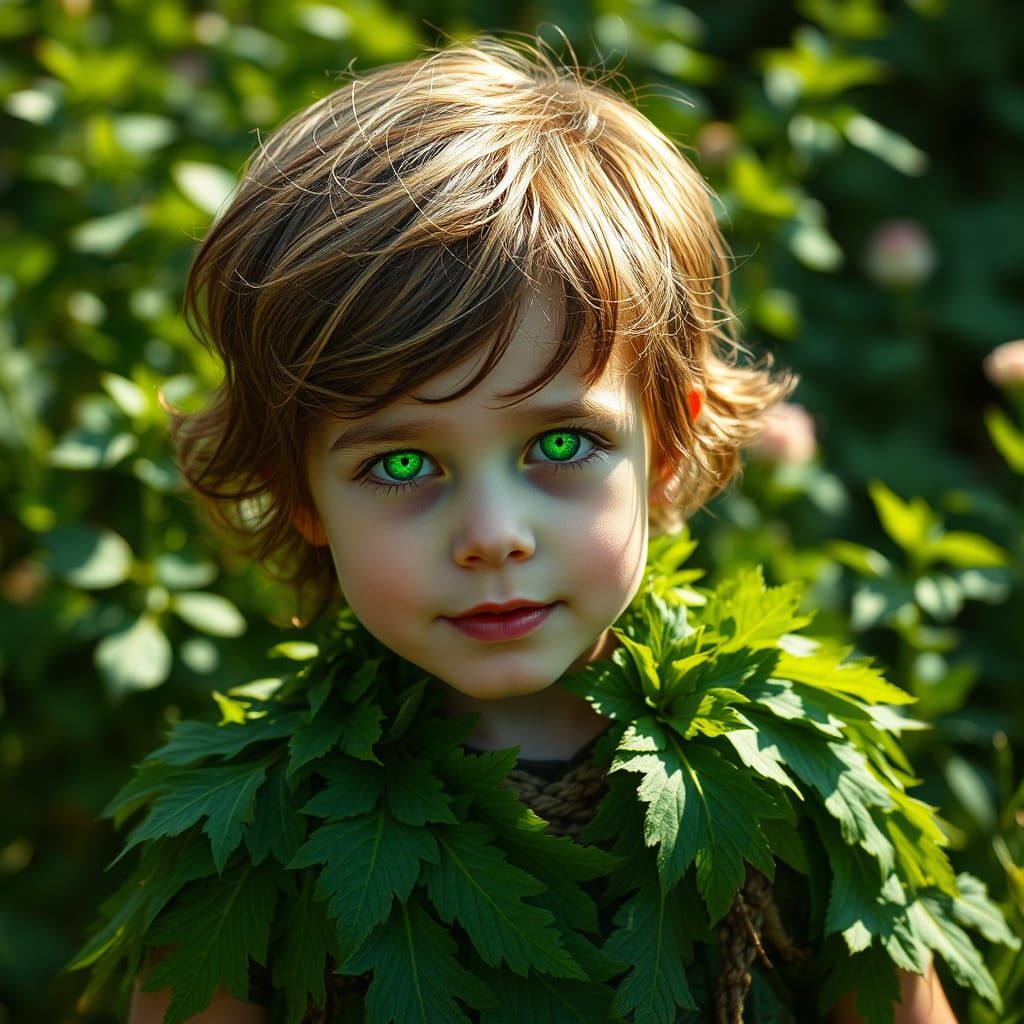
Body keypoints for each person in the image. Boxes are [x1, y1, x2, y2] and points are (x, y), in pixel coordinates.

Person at [71, 34, 1001, 1024]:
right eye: (400, 465)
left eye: (559, 447)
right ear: (298, 492)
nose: (492, 534)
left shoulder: (791, 778)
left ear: (668, 446)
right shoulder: (244, 832)